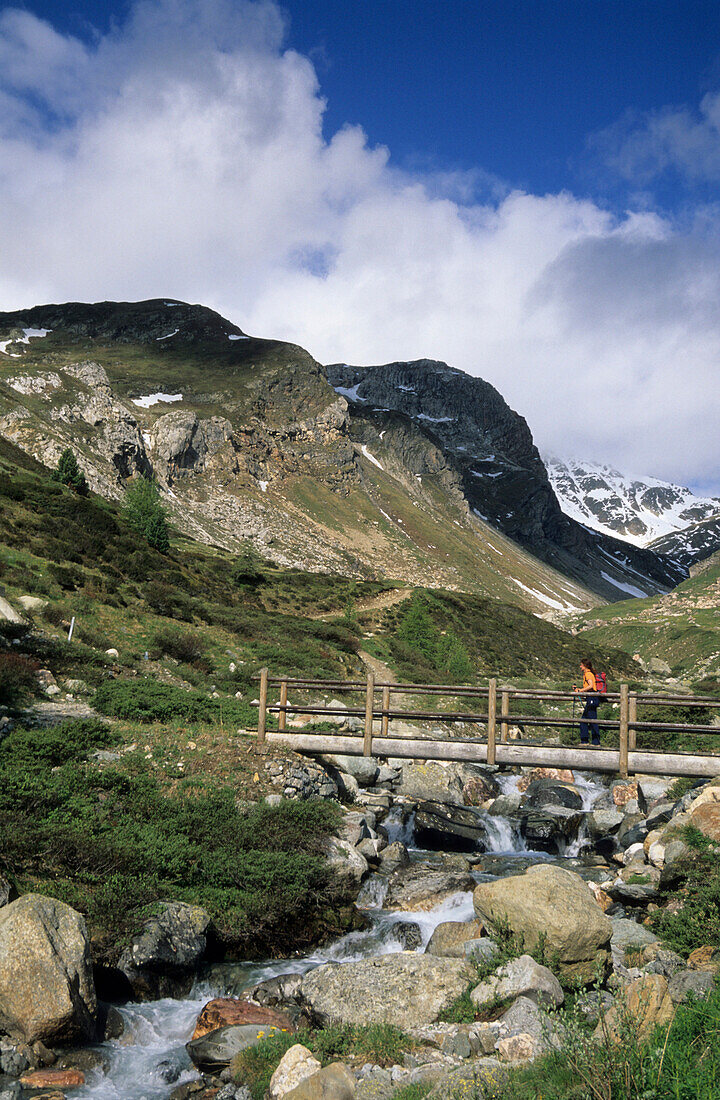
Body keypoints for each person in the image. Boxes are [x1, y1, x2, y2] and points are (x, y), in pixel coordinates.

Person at [574, 659, 600, 746]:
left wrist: (581, 690)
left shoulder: (588, 674)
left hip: (592, 697)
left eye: (581, 665)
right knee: (585, 720)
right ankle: (586, 741)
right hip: (592, 697)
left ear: (585, 666)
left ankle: (594, 742)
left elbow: (591, 685)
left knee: (591, 720)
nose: (580, 666)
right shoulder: (588, 674)